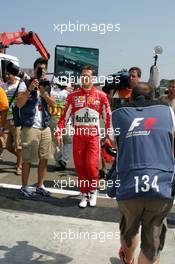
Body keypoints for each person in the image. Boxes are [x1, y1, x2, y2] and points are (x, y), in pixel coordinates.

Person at [111, 82, 175, 264]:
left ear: (131, 97)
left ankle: (127, 259)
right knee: (152, 239)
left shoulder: (117, 115)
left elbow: (113, 144)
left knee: (129, 230)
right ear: (154, 98)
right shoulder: (168, 112)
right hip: (161, 185)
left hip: (128, 185)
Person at [55, 66, 111, 208]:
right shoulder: (72, 96)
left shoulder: (101, 96)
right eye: (83, 75)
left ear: (93, 78)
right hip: (78, 136)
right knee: (80, 166)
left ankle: (93, 191)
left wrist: (108, 136)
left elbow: (108, 117)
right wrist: (59, 131)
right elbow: (64, 117)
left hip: (93, 136)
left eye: (88, 75)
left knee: (91, 166)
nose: (85, 77)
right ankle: (84, 193)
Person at [16, 57, 56, 198]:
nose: (41, 71)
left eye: (44, 69)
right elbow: (19, 104)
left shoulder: (48, 85)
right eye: (39, 68)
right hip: (30, 126)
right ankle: (25, 186)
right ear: (34, 69)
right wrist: (29, 89)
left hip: (44, 126)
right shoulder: (25, 83)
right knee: (27, 159)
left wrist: (44, 93)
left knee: (44, 158)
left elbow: (53, 104)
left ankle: (40, 185)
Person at [1, 71, 24, 174]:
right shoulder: (3, 86)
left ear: (14, 74)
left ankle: (19, 166)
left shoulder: (20, 84)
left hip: (16, 119)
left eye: (9, 74)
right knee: (4, 144)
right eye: (5, 74)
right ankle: (21, 158)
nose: (6, 76)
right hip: (5, 119)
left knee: (18, 145)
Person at [50, 81, 72, 170]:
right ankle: (64, 160)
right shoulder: (68, 94)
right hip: (65, 121)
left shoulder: (51, 92)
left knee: (56, 143)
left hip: (54, 120)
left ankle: (58, 162)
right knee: (68, 141)